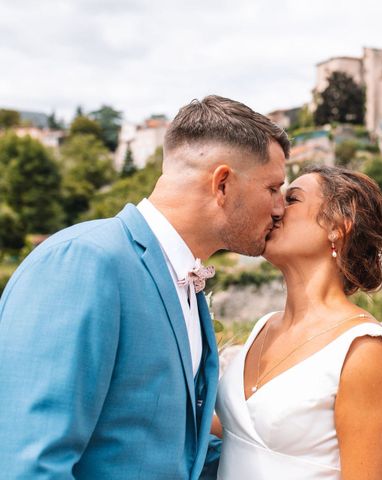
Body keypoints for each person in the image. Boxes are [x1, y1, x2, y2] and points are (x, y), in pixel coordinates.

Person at [0, 95, 290, 479]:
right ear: (223, 184)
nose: (280, 208)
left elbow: (174, 451)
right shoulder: (84, 261)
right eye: (272, 188)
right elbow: (30, 464)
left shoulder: (185, 282)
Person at [213, 165, 382, 479]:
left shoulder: (363, 351)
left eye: (292, 200)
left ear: (338, 227)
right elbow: (248, 435)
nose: (276, 209)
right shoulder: (264, 327)